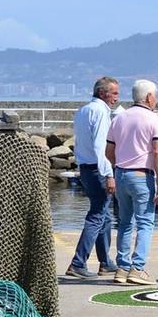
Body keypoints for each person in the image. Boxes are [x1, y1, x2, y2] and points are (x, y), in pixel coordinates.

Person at [104, 79, 158, 285]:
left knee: (124, 222)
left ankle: (122, 268)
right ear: (149, 97)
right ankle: (137, 268)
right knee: (145, 223)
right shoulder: (154, 120)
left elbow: (109, 151)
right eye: (155, 96)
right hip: (142, 174)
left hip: (121, 173)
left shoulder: (119, 118)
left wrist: (118, 166)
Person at [64, 76, 120, 280]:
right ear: (103, 93)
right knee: (97, 215)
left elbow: (81, 143)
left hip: (86, 168)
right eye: (114, 93)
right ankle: (78, 262)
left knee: (104, 215)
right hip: (98, 169)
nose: (117, 98)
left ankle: (105, 262)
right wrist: (109, 174)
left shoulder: (84, 110)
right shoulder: (101, 112)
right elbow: (100, 147)